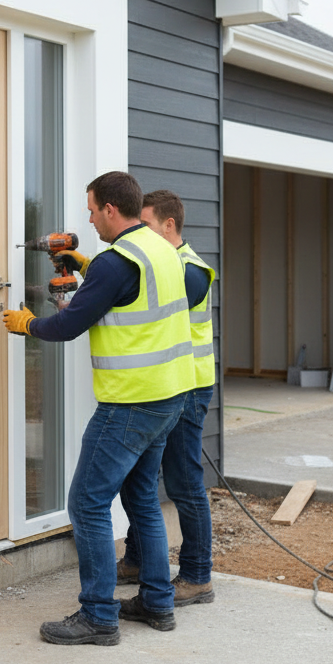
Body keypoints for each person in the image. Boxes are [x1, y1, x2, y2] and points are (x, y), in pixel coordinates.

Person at [2, 171, 195, 645]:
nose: (88, 220)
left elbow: (66, 327)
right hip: (170, 396)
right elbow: (128, 293)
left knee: (86, 503)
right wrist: (87, 266)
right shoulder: (162, 250)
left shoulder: (114, 262)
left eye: (91, 211)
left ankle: (97, 616)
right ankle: (157, 601)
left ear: (111, 209)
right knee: (143, 500)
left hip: (129, 404)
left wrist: (27, 323)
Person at [117, 190, 218, 605]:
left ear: (168, 226)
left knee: (184, 483)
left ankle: (197, 576)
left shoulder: (191, 271)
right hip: (163, 386)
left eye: (146, 225)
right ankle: (139, 559)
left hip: (188, 389)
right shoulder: (161, 263)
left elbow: (145, 287)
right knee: (142, 478)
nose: (140, 234)